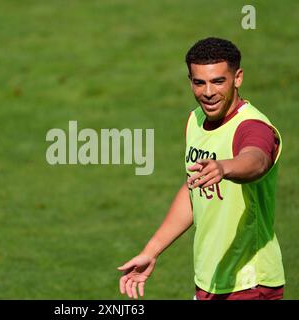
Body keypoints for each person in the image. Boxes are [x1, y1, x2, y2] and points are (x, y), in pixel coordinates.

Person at [117, 37, 285, 300]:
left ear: (237, 78)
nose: (208, 92)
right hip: (211, 281)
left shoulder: (252, 126)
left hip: (249, 282)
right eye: (199, 82)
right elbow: (193, 190)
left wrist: (224, 167)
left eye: (218, 81)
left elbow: (256, 160)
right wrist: (152, 250)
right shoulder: (195, 121)